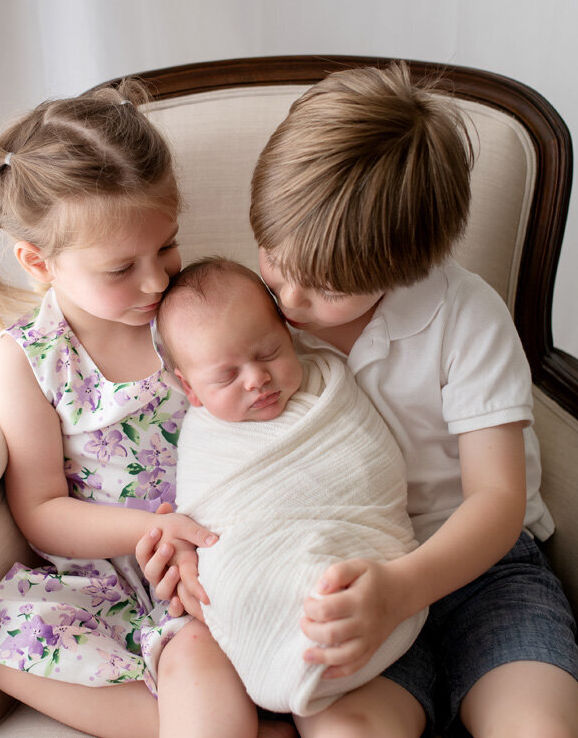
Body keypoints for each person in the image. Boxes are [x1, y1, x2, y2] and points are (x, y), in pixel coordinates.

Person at [243, 63, 578, 737]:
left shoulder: (466, 318)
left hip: (484, 571)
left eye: (322, 288)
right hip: (347, 566)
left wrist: (404, 589)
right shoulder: (252, 320)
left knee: (539, 727)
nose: (288, 303)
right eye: (273, 262)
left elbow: (497, 499)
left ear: (405, 267)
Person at [0, 82, 289, 738]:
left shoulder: (194, 315)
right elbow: (42, 512)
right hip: (118, 582)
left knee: (193, 653)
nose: (156, 281)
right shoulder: (31, 357)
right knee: (8, 647)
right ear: (39, 262)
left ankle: (216, 711)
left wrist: (199, 538)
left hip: (216, 560)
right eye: (120, 268)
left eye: (166, 248)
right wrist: (147, 533)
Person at [153, 257, 425, 720]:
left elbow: (372, 470)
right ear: (191, 389)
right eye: (226, 376)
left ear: (288, 332)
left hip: (364, 575)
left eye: (268, 353)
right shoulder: (203, 439)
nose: (256, 378)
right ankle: (277, 643)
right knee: (228, 593)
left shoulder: (329, 387)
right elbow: (206, 526)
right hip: (254, 578)